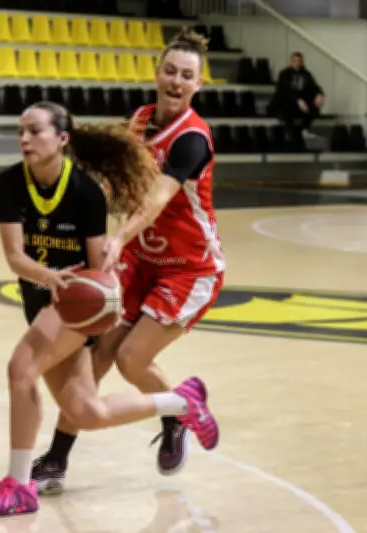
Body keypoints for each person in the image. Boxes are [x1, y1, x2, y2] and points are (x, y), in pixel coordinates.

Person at [0, 100, 220, 518]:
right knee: (86, 412)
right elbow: (15, 257)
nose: (25, 140)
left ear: (61, 139)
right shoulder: (8, 183)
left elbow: (98, 267)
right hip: (45, 297)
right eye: (21, 132)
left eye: (35, 131)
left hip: (75, 309)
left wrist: (76, 292)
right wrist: (50, 278)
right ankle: (180, 402)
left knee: (21, 369)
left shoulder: (86, 191)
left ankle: (18, 486)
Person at [30, 28, 226, 494]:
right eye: (170, 71)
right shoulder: (138, 121)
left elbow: (156, 200)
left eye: (187, 76)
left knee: (132, 359)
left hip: (189, 267)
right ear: (157, 73)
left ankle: (180, 409)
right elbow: (114, 181)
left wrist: (116, 237)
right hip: (142, 260)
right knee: (96, 355)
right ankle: (57, 459)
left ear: (198, 85)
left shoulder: (192, 140)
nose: (176, 81)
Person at [268, 51, 326, 131]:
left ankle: (305, 129)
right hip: (287, 101)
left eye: (299, 61)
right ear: (291, 62)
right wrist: (298, 100)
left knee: (313, 105)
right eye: (295, 61)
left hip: (301, 103)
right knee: (286, 106)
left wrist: (320, 94)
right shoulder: (284, 74)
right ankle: (290, 132)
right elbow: (286, 90)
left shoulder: (306, 74)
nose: (297, 63)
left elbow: (314, 86)